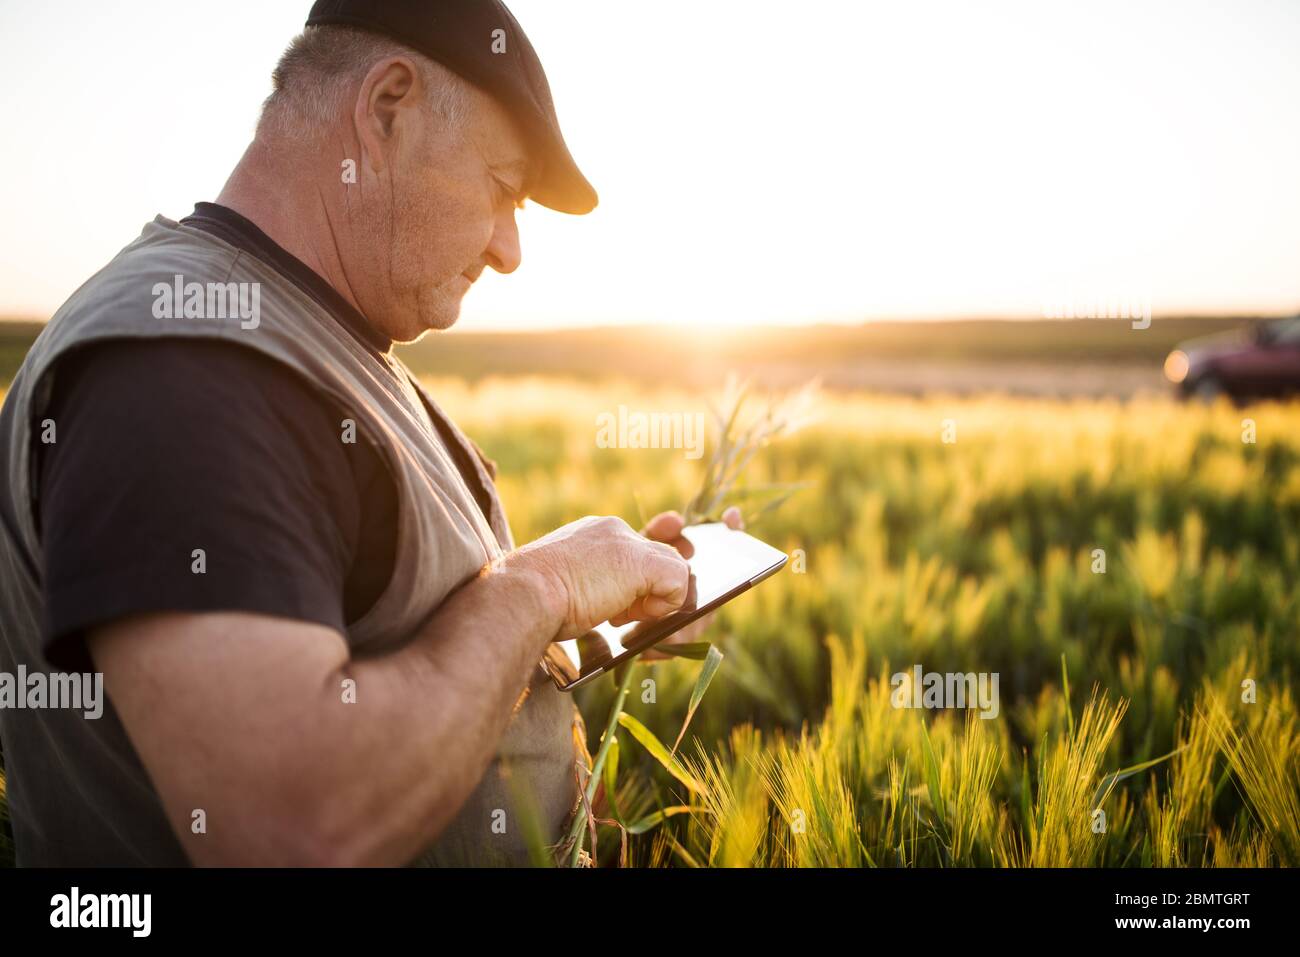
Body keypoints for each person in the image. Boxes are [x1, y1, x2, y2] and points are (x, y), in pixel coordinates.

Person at [0, 0, 737, 867]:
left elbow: (383, 628)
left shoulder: (311, 338)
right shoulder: (182, 365)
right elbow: (292, 825)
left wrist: (599, 608)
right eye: (505, 190)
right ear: (387, 107)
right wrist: (541, 586)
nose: (510, 251)